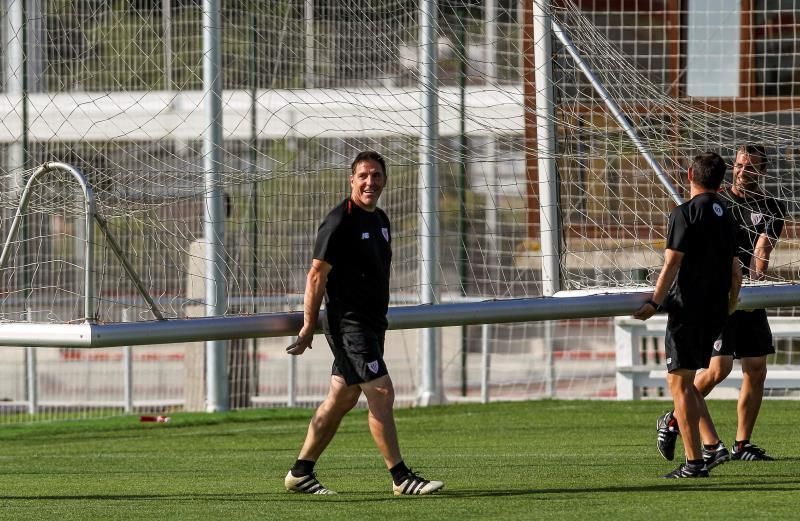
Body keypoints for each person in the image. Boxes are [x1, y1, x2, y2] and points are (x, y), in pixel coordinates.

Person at [283, 151, 444, 496]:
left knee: (342, 398)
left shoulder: (381, 219)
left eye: (376, 175)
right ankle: (401, 478)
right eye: (363, 176)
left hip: (372, 324)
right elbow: (315, 276)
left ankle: (301, 472)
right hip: (348, 324)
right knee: (381, 392)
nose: (370, 182)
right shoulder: (340, 220)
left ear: (385, 180)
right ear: (351, 180)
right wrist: (309, 325)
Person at [656, 145, 785, 463]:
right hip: (719, 296)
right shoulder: (717, 204)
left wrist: (756, 280)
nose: (744, 171)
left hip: (749, 293)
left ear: (763, 171)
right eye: (740, 165)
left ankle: (743, 445)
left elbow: (763, 248)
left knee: (756, 369)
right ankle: (674, 417)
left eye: (752, 167)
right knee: (718, 369)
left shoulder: (771, 206)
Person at [634, 151, 742, 478]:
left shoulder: (684, 213)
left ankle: (694, 463)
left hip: (689, 308)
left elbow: (672, 262)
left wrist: (654, 301)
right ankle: (712, 446)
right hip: (716, 310)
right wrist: (732, 302)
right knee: (688, 381)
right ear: (721, 181)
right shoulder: (729, 216)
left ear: (689, 175)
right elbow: (736, 269)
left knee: (679, 383)